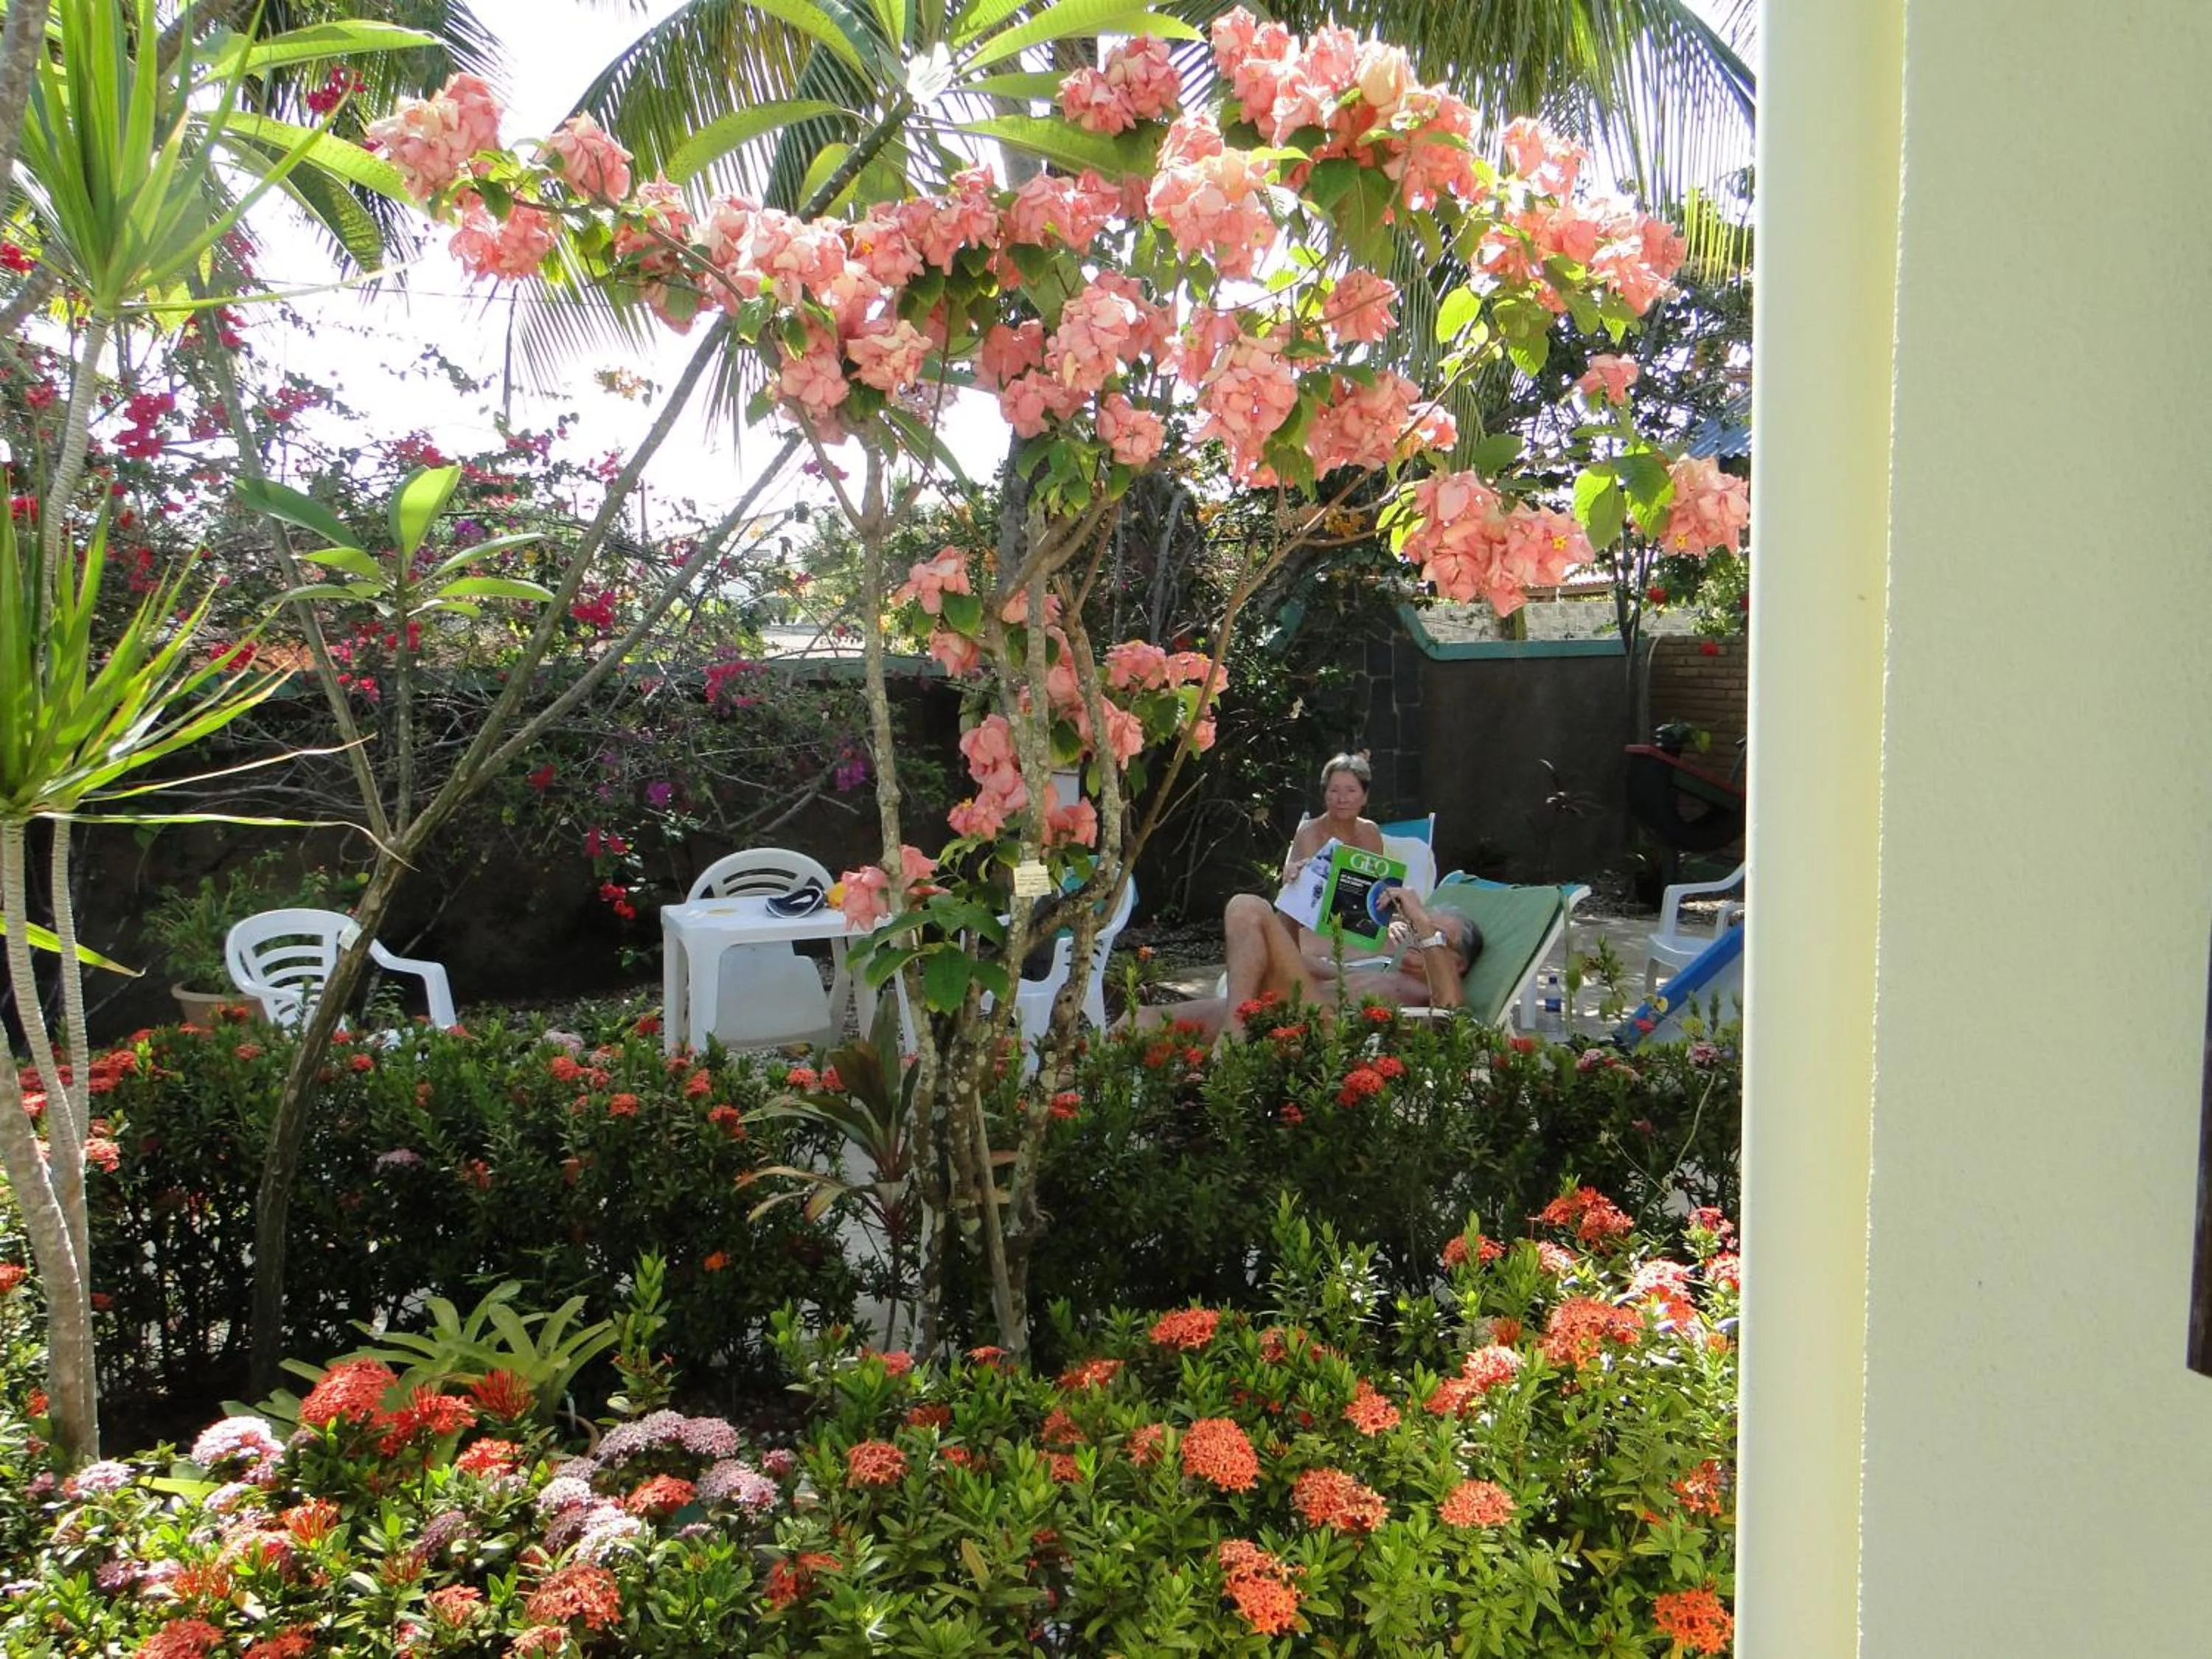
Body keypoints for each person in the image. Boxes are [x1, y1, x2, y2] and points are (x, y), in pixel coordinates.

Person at [1138, 884, 1481, 1044]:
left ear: (1459, 963)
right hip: (1292, 1006)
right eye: (1418, 929)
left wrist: (1421, 920)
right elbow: (1289, 959)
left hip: (1327, 1028)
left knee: (1246, 906)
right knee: (1139, 1020)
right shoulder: (1381, 974)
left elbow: (1449, 1011)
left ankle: (1233, 1038)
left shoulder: (1433, 989)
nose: (1420, 937)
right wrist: (1292, 901)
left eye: (1436, 936)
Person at [1281, 751, 1385, 961]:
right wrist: (1293, 876)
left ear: (1364, 797)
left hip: (1356, 926)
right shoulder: (1309, 833)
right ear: (1325, 795)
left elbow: (1377, 891)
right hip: (1313, 928)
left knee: (1403, 937)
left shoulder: (1370, 832)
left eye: (1351, 790)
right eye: (1334, 790)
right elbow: (1306, 905)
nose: (1342, 799)